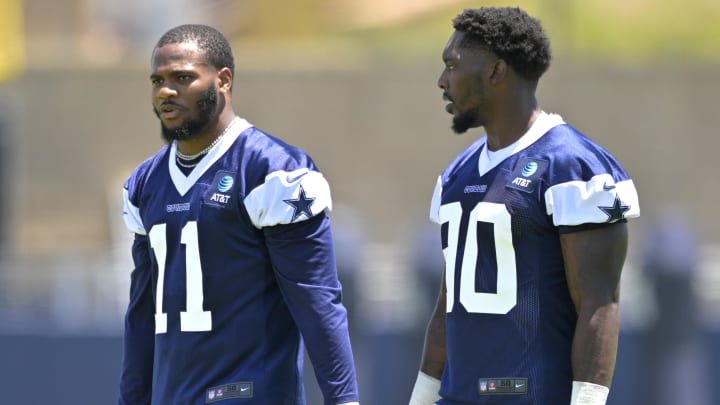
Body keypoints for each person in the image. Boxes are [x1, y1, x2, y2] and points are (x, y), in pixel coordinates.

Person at [408, 7, 640, 405]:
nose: (442, 80)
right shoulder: (456, 174)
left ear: (497, 71)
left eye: (452, 65)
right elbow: (449, 308)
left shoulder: (572, 166)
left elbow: (599, 305)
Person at [119, 24, 359, 405]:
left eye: (182, 77)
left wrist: (344, 400)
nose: (166, 91)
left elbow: (317, 304)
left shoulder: (272, 170)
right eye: (157, 80)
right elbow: (141, 316)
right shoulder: (145, 184)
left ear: (223, 80)